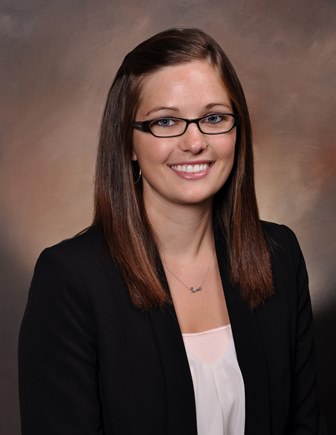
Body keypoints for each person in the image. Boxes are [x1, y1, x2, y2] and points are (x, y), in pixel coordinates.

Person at [18, 28, 327, 435]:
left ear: (238, 130)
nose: (195, 141)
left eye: (214, 117)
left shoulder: (279, 254)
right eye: (166, 121)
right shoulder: (71, 279)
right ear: (128, 141)